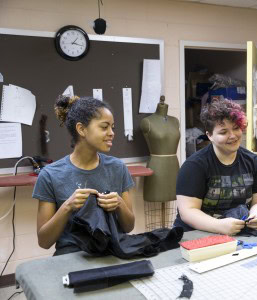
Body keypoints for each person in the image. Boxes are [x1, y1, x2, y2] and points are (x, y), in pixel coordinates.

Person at [33, 95, 135, 255]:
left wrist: (119, 204)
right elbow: (44, 241)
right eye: (104, 127)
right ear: (81, 129)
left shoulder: (118, 168)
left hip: (113, 254)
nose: (112, 133)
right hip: (71, 259)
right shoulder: (50, 175)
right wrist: (67, 207)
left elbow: (129, 227)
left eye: (112, 127)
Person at [174, 99, 257, 235]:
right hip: (194, 234)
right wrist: (219, 225)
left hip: (236, 232)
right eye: (223, 132)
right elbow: (188, 212)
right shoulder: (194, 166)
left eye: (236, 128)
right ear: (210, 136)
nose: (232, 136)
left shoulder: (254, 162)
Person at [140, 96, 180, 203]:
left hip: (174, 166)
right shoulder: (147, 122)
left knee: (176, 196)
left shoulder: (175, 121)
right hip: (157, 167)